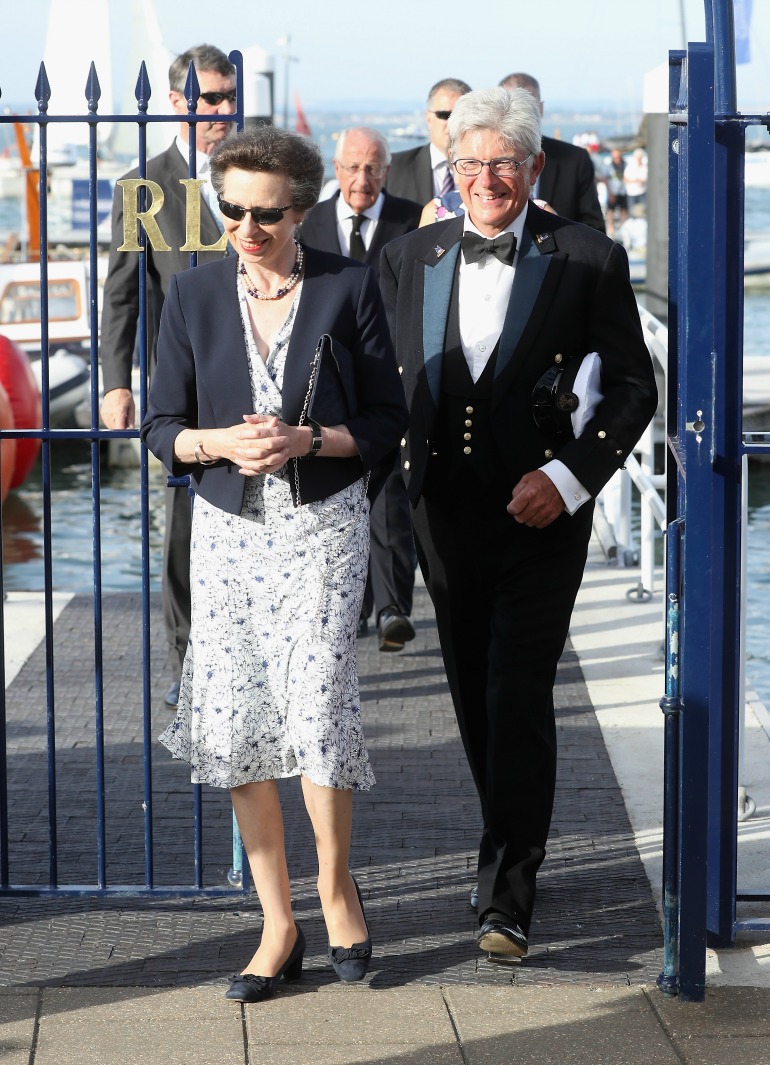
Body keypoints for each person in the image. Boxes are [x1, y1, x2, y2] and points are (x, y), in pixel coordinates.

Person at [380, 87, 657, 965]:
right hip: (442, 516)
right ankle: (506, 839)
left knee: (518, 693)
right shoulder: (409, 255)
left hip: (541, 514)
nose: (487, 179)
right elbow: (384, 378)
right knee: (472, 695)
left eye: (505, 163)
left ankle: (508, 895)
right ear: (450, 170)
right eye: (471, 164)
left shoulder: (586, 257)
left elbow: (634, 386)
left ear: (535, 168)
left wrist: (573, 476)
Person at [140, 126, 407, 1000]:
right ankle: (277, 922)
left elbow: (383, 425)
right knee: (240, 718)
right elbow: (158, 428)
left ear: (302, 209)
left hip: (323, 528)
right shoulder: (192, 295)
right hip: (225, 534)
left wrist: (307, 439)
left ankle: (336, 892)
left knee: (319, 704)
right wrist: (212, 441)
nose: (247, 227)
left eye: (268, 213)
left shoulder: (347, 287)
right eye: (232, 211)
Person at [100, 44, 237, 708]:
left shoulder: (252, 174)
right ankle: (187, 658)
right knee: (184, 526)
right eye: (212, 98)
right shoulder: (144, 187)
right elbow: (121, 294)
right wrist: (115, 381)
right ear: (179, 103)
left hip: (256, 384)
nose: (224, 111)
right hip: (181, 391)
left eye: (229, 96)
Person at [300, 127, 421, 651]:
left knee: (391, 488)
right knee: (341, 492)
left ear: (387, 172)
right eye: (352, 167)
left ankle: (394, 606)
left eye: (372, 168)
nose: (361, 179)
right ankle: (357, 603)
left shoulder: (412, 219)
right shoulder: (311, 223)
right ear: (336, 167)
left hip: (393, 377)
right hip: (326, 384)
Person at [498, 73, 605, 232]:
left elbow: (594, 229)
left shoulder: (575, 160)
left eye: (527, 105)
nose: (519, 114)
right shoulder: (481, 161)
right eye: (510, 106)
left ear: (541, 108)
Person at [385, 78, 472, 206]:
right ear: (428, 118)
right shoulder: (394, 168)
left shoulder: (486, 171)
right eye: (444, 115)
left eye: (461, 115)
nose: (452, 123)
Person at [603, 148, 630, 237]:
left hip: (623, 191)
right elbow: (605, 178)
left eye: (618, 157)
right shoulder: (609, 166)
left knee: (624, 210)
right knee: (611, 210)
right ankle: (610, 229)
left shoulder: (625, 164)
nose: (616, 159)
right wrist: (609, 191)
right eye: (615, 157)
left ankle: (624, 228)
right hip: (613, 191)